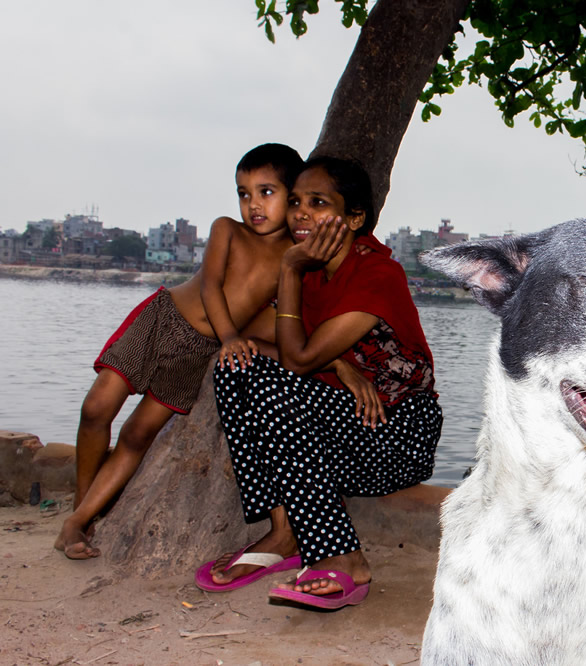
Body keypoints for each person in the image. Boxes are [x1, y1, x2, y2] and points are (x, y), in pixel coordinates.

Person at [196, 157, 442, 610]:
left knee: (276, 387)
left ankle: (345, 559)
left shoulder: (378, 275)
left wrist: (289, 270)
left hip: (395, 438)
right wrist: (343, 369)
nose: (301, 214)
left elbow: (300, 358)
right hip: (340, 432)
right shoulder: (312, 275)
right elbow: (256, 339)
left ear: (354, 218)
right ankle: (285, 532)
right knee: (234, 367)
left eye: (318, 203)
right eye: (295, 202)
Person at [55, 143, 303, 559]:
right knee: (97, 407)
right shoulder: (228, 229)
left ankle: (79, 522)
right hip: (163, 318)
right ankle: (80, 514)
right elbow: (210, 287)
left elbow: (277, 321)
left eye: (266, 192)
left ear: (291, 195)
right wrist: (229, 338)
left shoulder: (292, 258)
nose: (253, 205)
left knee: (138, 434)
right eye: (244, 193)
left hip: (197, 351)